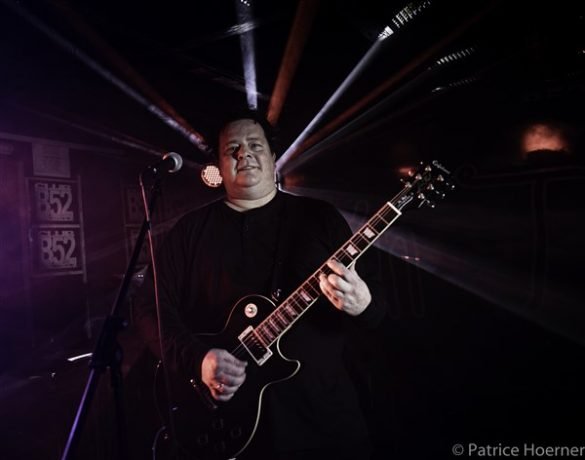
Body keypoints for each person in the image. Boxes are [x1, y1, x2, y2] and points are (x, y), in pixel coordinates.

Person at [134, 110, 387, 460]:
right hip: (228, 429)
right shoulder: (189, 232)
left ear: (272, 157)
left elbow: (379, 312)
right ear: (219, 167)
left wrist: (364, 305)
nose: (244, 154)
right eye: (232, 149)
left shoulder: (320, 218)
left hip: (324, 422)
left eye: (255, 145)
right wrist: (198, 360)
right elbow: (150, 309)